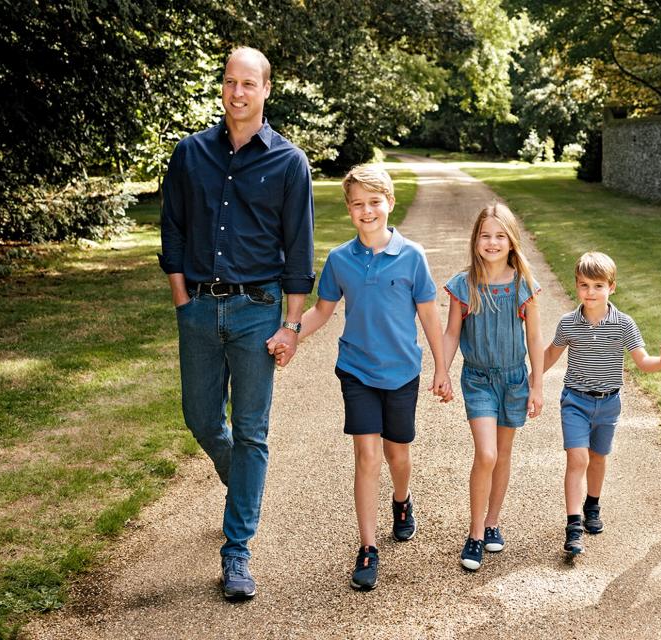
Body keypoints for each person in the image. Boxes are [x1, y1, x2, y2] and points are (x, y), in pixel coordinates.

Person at [158, 47, 315, 600]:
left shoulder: (290, 163)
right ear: (222, 87)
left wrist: (291, 325)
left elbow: (299, 252)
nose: (238, 92)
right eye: (230, 82)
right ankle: (241, 485)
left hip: (257, 312)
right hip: (198, 308)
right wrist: (182, 300)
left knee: (251, 431)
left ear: (266, 90)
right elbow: (172, 231)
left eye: (249, 83)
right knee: (201, 418)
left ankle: (237, 553)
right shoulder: (190, 153)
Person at [285, 164, 451, 591]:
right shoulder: (340, 259)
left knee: (398, 456)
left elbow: (430, 315)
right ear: (349, 210)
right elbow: (323, 311)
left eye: (374, 202)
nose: (366, 211)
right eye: (357, 204)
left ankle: (401, 501)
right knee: (366, 457)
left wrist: (442, 368)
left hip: (401, 373)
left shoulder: (412, 256)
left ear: (389, 204)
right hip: (356, 370)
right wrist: (291, 334)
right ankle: (366, 547)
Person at [543, 252, 661, 556]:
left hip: (608, 404)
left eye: (597, 286)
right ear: (576, 286)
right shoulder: (568, 324)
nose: (590, 293)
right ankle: (573, 525)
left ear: (611, 287)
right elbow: (550, 355)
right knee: (577, 459)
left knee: (598, 458)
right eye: (583, 285)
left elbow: (643, 361)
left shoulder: (624, 324)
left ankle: (592, 505)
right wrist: (530, 381)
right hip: (575, 401)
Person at [442, 202, 544, 572]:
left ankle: (493, 521)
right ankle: (474, 533)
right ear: (475, 240)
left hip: (515, 379)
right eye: (485, 235)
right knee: (485, 454)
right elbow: (452, 332)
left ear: (512, 241)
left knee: (502, 453)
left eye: (500, 236)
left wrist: (537, 384)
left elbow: (534, 337)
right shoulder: (463, 285)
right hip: (479, 379)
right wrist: (442, 369)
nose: (492, 242)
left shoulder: (523, 286)